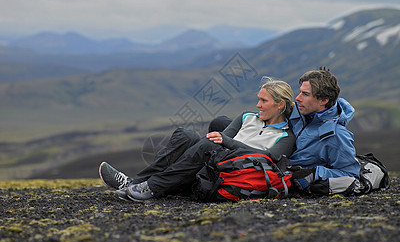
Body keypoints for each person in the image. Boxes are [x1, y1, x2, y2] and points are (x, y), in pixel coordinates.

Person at [99, 77, 296, 202]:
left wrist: (228, 143)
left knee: (210, 143)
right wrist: (224, 141)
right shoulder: (247, 117)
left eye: (263, 101)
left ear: (280, 104)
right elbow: (223, 136)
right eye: (258, 99)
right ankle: (137, 183)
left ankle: (150, 186)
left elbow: (268, 158)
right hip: (216, 159)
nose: (258, 104)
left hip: (233, 171)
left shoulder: (285, 137)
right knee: (186, 134)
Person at [209, 67, 361, 195]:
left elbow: (351, 174)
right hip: (269, 143)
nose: (298, 98)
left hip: (276, 165)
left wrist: (315, 173)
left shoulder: (336, 135)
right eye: (300, 92)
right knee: (220, 123)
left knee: (221, 141)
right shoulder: (300, 111)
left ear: (323, 100)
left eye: (305, 94)